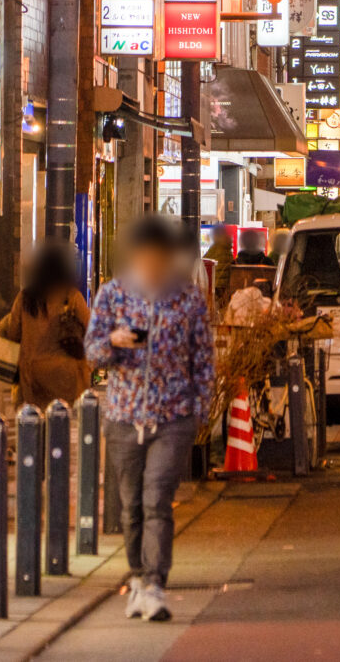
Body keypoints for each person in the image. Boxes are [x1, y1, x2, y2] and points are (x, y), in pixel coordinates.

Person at [88, 214, 216, 623]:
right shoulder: (112, 296)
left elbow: (203, 359)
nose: (153, 264)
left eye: (160, 257)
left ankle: (155, 584)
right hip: (125, 415)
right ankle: (139, 578)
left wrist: (199, 411)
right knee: (131, 507)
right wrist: (113, 341)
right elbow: (91, 352)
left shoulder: (187, 299)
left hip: (173, 415)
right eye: (145, 256)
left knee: (157, 499)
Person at [0, 239, 94, 408]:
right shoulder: (72, 297)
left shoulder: (26, 298)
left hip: (32, 375)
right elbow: (91, 328)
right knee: (62, 422)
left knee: (35, 423)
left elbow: (13, 333)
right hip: (66, 375)